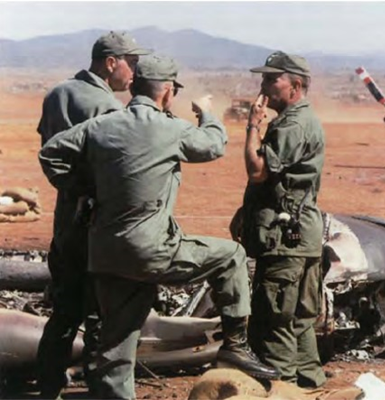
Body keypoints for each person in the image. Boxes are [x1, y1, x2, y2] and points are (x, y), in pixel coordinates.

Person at [39, 55, 279, 400]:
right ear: (167, 92)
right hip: (153, 250)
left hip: (106, 253)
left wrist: (86, 188)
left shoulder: (101, 125)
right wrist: (205, 112)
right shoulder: (168, 129)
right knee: (232, 255)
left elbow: (50, 153)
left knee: (117, 344)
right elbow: (213, 143)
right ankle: (235, 345)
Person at [36, 31, 150, 399]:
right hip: (97, 223)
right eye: (130, 63)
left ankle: (49, 386)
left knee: (64, 312)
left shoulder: (58, 94)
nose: (134, 71)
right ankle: (102, 389)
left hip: (66, 219)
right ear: (110, 62)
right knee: (103, 313)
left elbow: (50, 152)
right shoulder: (111, 109)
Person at [231, 51, 327, 388]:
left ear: (295, 85)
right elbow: (277, 183)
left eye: (273, 79)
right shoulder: (297, 120)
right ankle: (309, 385)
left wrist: (252, 125)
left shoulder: (293, 124)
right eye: (264, 78)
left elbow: (257, 170)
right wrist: (248, 211)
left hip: (285, 240)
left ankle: (283, 389)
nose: (264, 85)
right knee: (298, 320)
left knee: (273, 322)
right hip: (301, 236)